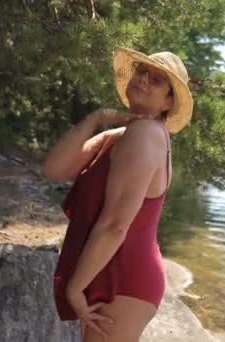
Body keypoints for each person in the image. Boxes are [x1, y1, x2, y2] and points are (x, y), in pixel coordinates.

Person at [42, 47, 193, 341]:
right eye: (142, 72)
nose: (144, 80)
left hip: (125, 278)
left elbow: (115, 225)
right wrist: (95, 119)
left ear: (168, 101)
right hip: (109, 269)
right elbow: (55, 169)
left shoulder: (146, 135)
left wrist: (74, 288)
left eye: (157, 80)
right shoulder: (123, 134)